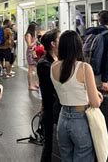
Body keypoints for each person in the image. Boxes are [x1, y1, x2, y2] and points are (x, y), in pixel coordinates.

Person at [51, 30, 103, 162]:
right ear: (78, 46)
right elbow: (95, 103)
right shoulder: (84, 68)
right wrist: (99, 97)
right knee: (84, 154)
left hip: (62, 119)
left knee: (66, 157)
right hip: (80, 119)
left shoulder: (53, 66)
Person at [36, 29, 61, 162]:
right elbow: (51, 90)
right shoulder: (45, 64)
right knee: (49, 145)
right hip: (51, 109)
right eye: (59, 39)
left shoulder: (55, 60)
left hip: (53, 107)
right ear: (53, 43)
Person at [84, 10, 108, 92]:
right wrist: (105, 80)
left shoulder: (90, 33)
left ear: (99, 20)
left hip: (89, 72)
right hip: (103, 76)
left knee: (91, 98)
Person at [24, 23, 39, 91]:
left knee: (34, 69)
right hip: (31, 53)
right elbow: (29, 45)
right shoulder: (28, 35)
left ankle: (35, 83)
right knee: (31, 69)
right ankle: (30, 85)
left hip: (34, 52)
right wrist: (35, 41)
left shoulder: (32, 34)